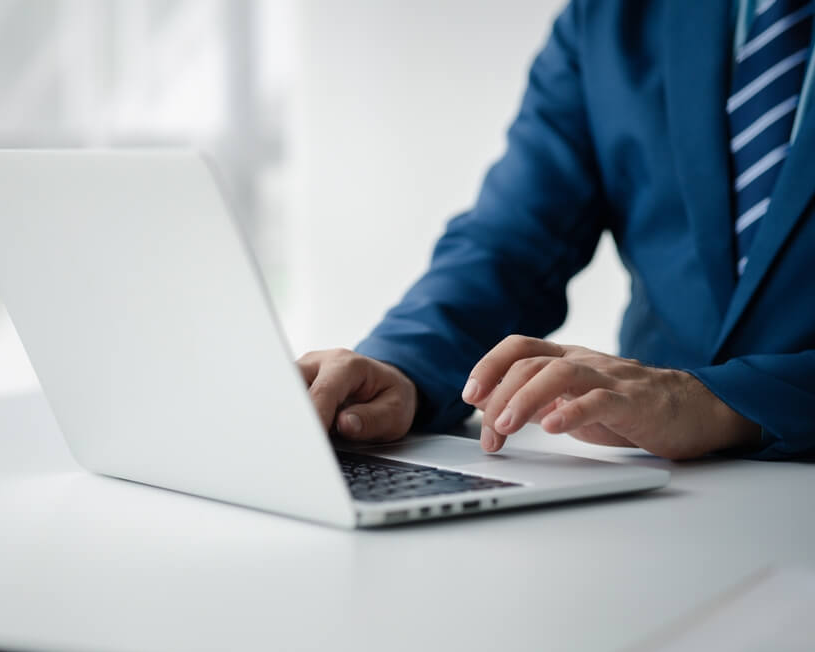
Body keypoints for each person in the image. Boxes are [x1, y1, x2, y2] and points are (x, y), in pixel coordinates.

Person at [297, 0, 815, 461]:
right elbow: (512, 244)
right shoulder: (609, 15)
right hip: (649, 481)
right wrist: (402, 368)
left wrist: (726, 402)